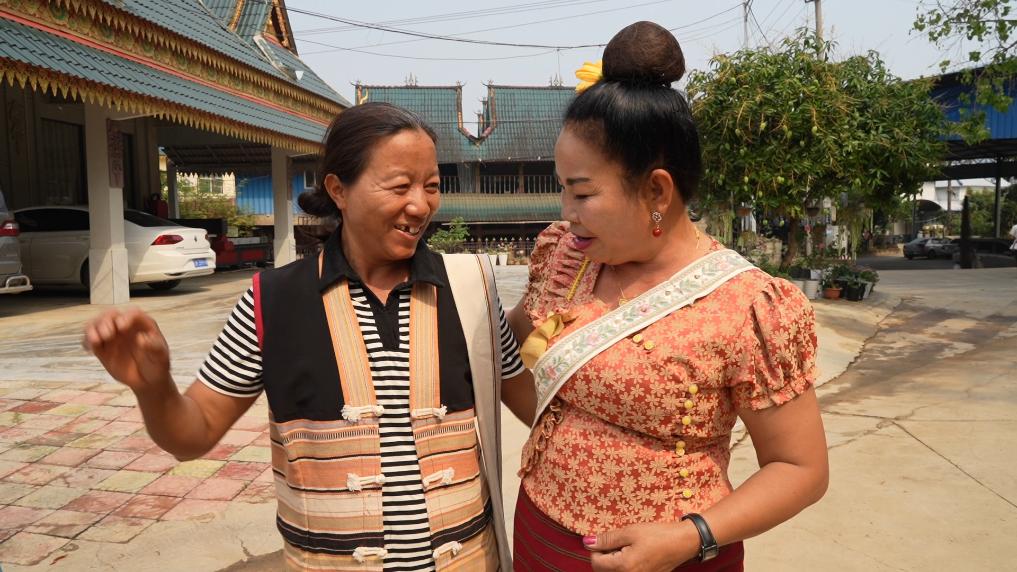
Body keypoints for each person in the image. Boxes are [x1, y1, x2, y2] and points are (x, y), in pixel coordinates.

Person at [84, 103, 533, 571]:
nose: (420, 205)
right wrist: (154, 387)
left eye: (432, 186)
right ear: (339, 190)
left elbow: (535, 405)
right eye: (400, 186)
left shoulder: (470, 289)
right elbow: (191, 436)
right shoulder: (271, 300)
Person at [507, 22, 829, 571]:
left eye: (582, 192)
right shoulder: (566, 258)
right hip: (539, 534)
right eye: (563, 188)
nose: (567, 212)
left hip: (674, 559)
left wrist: (690, 536)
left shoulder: (747, 306)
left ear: (657, 189)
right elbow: (518, 360)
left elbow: (801, 469)